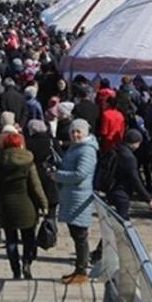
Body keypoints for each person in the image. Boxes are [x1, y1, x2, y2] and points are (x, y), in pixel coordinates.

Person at [0, 132, 48, 280]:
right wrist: (43, 204)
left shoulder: (0, 163)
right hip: (27, 205)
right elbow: (36, 186)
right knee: (28, 238)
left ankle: (15, 270)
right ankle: (27, 264)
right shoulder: (28, 162)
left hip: (6, 206)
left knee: (11, 240)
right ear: (20, 144)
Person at [55, 119, 97, 285]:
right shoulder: (75, 147)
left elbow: (81, 174)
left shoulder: (87, 150)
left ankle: (82, 271)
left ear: (85, 133)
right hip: (72, 196)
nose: (75, 135)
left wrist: (57, 176)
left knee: (80, 235)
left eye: (79, 132)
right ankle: (78, 269)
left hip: (80, 197)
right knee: (76, 234)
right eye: (73, 132)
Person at [103, 129, 152, 220]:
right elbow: (135, 180)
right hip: (122, 192)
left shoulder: (115, 150)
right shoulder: (129, 158)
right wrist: (148, 198)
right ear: (135, 143)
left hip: (110, 189)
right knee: (122, 220)